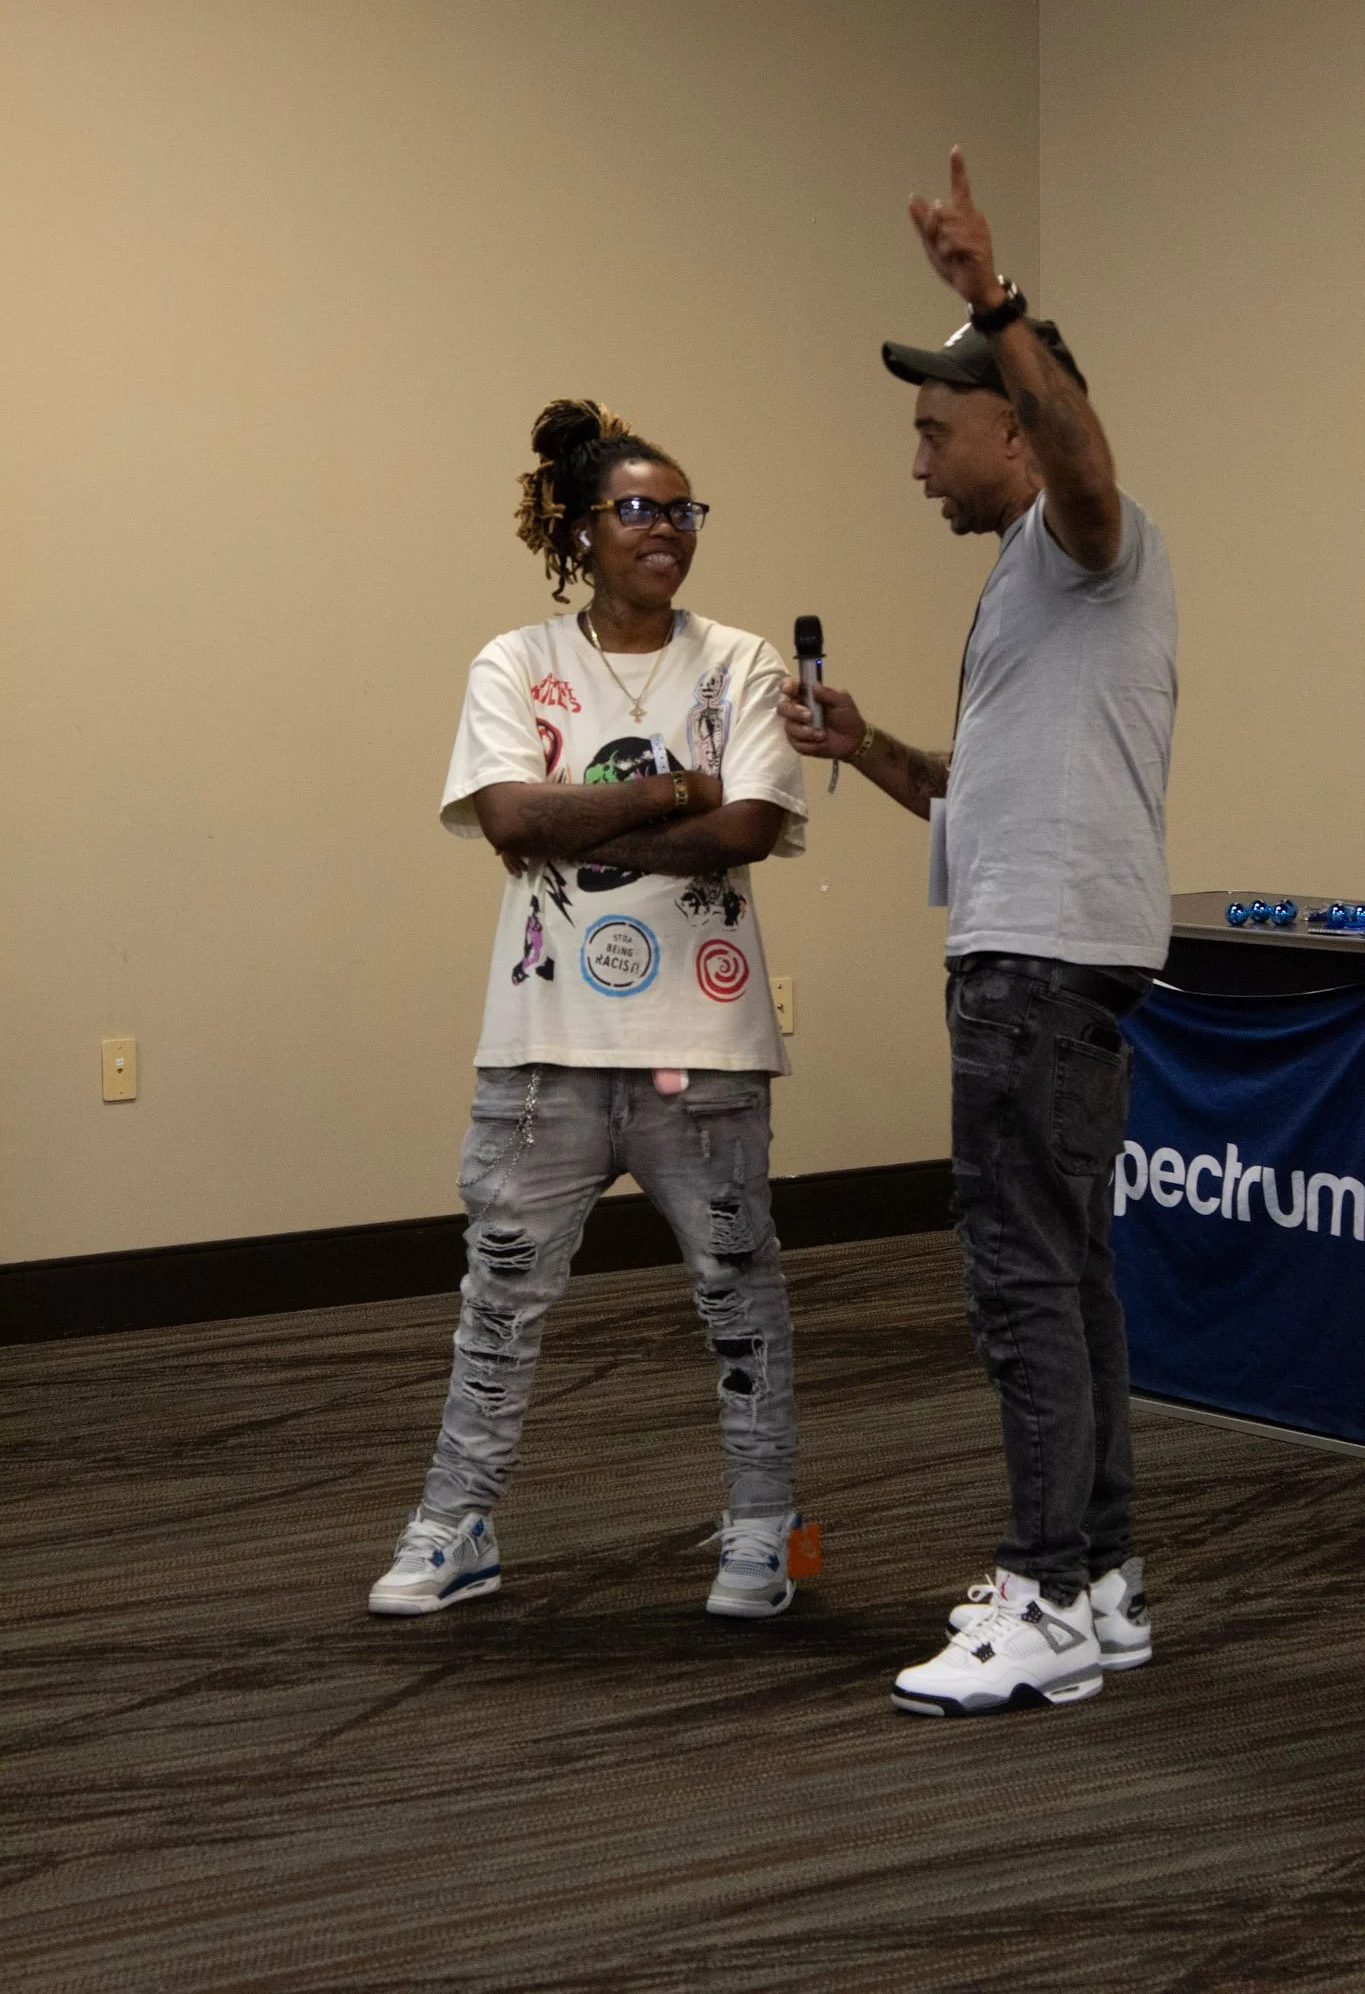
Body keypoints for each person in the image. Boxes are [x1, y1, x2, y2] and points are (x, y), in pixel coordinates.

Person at [780, 151, 1178, 1716]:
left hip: (1039, 967)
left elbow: (1090, 464)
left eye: (934, 431)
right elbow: (974, 795)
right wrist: (867, 745)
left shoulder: (1089, 538)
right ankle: (1104, 1576)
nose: (916, 464)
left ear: (1013, 426)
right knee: (1068, 1272)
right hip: (1045, 953)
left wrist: (994, 301)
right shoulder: (1030, 591)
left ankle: (1044, 1593)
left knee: (1019, 1276)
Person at [369, 399, 808, 1623]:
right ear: (580, 528)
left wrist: (584, 819)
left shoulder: (742, 662)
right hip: (543, 1046)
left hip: (705, 1043)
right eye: (638, 509)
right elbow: (508, 819)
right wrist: (672, 790)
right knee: (499, 1298)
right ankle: (456, 1522)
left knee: (739, 1289)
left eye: (683, 510)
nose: (667, 528)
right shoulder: (514, 662)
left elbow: (748, 827)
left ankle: (766, 1525)